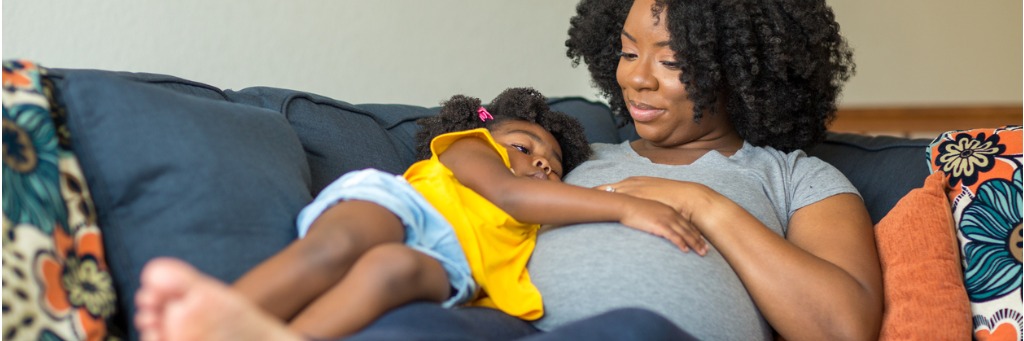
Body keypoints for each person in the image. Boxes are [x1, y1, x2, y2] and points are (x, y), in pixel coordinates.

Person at [136, 87, 707, 341]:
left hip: (453, 264)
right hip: (407, 210)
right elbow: (510, 196)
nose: (538, 163)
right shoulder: (469, 147)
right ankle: (223, 321)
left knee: (391, 272)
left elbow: (534, 222)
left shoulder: (543, 215)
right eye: (524, 146)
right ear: (486, 134)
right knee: (337, 249)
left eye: (553, 164)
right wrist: (629, 209)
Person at [525, 0, 883, 340]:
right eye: (629, 53)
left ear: (738, 70)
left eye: (671, 61)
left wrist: (701, 204)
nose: (637, 78)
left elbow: (843, 328)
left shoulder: (797, 179)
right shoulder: (570, 155)